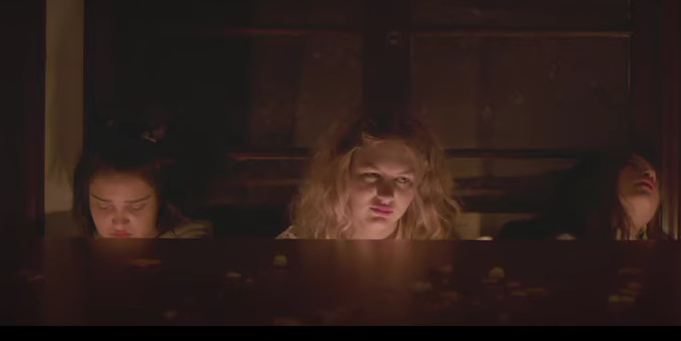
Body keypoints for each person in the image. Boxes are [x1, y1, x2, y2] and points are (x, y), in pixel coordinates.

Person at [277, 110, 461, 239]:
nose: (386, 195)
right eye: (372, 175)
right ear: (341, 175)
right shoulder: (299, 246)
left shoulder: (438, 251)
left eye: (402, 180)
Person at [71, 119, 213, 239]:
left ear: (160, 201)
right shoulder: (80, 249)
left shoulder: (189, 248)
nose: (119, 223)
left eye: (136, 207)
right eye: (104, 207)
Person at [497, 148, 661, 241]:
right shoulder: (528, 242)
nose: (650, 174)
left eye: (655, 177)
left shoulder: (657, 265)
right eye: (633, 165)